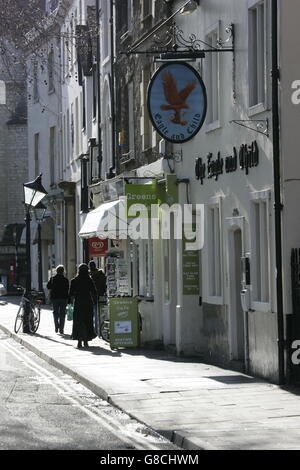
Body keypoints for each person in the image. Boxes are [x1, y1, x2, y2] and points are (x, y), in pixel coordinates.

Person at [69, 263, 97, 349]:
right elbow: (94, 292)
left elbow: (71, 293)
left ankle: (79, 341)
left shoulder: (74, 280)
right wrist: (95, 302)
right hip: (88, 302)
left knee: (79, 321)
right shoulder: (89, 280)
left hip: (78, 303)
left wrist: (70, 301)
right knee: (87, 321)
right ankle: (86, 341)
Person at [47, 265, 69, 335]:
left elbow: (48, 286)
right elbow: (67, 289)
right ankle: (61, 329)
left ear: (56, 271)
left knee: (55, 313)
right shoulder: (65, 280)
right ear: (63, 271)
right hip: (63, 298)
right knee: (62, 313)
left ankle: (56, 326)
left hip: (55, 298)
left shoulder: (53, 279)